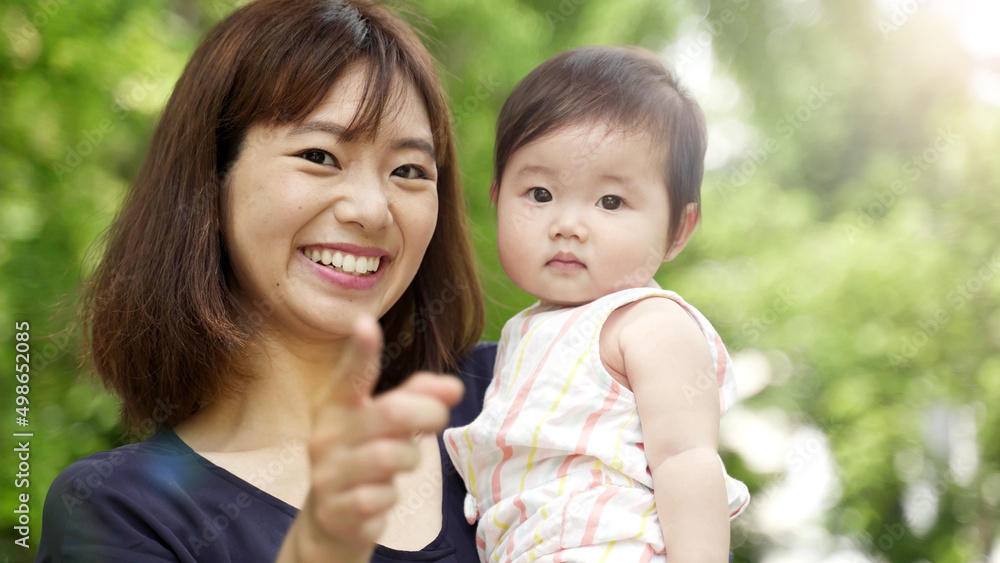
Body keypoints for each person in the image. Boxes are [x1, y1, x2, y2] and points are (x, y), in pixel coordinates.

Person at [36, 1, 495, 561]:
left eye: (409, 171)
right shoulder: (122, 512)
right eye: (320, 155)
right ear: (211, 178)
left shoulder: (520, 392)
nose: (373, 211)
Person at [443, 46, 751, 562]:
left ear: (677, 230)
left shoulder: (647, 324)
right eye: (539, 193)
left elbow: (687, 460)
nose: (567, 224)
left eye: (611, 202)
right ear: (497, 199)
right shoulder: (523, 336)